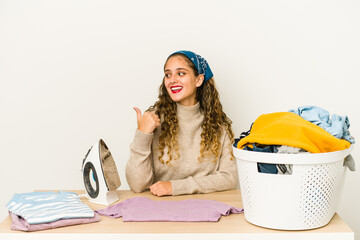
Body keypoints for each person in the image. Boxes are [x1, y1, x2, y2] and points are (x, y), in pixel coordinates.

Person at [126, 50, 239, 196]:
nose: (172, 80)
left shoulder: (219, 126)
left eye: (180, 73)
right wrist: (142, 135)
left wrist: (175, 187)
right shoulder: (154, 120)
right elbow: (137, 185)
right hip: (162, 209)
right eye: (168, 74)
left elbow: (230, 179)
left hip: (207, 208)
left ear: (198, 80)